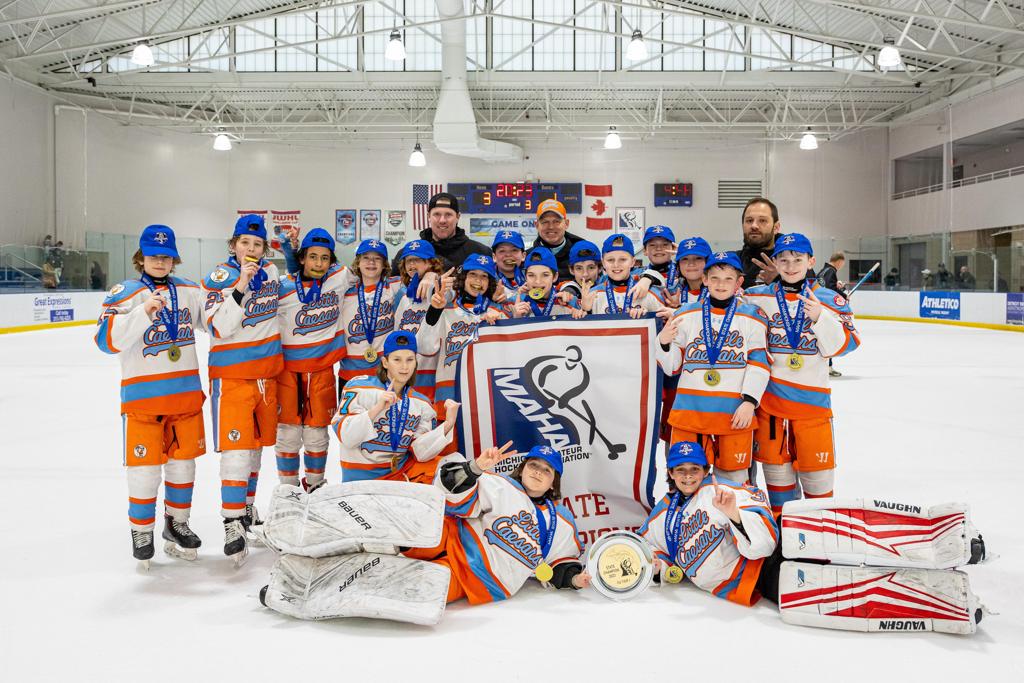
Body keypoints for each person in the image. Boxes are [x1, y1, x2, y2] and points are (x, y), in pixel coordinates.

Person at [93, 225, 207, 567]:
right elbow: (105, 341)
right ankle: (141, 531)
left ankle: (177, 523)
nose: (160, 262)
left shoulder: (189, 290)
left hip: (185, 398)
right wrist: (142, 313)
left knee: (183, 466)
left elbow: (215, 322)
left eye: (166, 257)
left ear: (174, 259)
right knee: (144, 471)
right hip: (143, 401)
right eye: (154, 256)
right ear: (140, 258)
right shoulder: (125, 294)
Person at [744, 234, 860, 514]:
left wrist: (821, 318)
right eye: (784, 260)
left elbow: (849, 344)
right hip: (771, 410)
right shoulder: (757, 296)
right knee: (780, 496)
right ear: (776, 263)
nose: (791, 266)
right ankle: (783, 537)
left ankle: (820, 538)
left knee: (820, 495)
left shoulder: (828, 299)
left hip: (813, 410)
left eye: (798, 260)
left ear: (811, 261)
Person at [403, 443, 589, 603]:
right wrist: (475, 468)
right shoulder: (501, 485)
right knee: (425, 525)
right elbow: (450, 496)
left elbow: (561, 563)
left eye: (547, 470)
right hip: (453, 542)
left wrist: (575, 580)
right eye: (533, 464)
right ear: (522, 469)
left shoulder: (563, 520)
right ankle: (397, 541)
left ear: (553, 483)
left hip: (478, 579)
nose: (538, 471)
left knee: (418, 589)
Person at [201, 214, 283, 553]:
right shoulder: (219, 278)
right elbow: (219, 327)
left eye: (257, 244)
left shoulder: (272, 272)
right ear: (233, 245)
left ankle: (247, 508)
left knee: (255, 450)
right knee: (236, 453)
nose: (250, 248)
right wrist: (241, 286)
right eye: (244, 242)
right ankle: (231, 521)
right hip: (232, 378)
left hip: (266, 377)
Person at [656, 251, 771, 484]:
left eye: (728, 279)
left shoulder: (753, 316)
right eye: (715, 278)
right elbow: (672, 367)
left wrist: (750, 401)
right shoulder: (686, 313)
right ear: (705, 279)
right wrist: (664, 342)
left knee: (735, 481)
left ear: (739, 282)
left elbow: (759, 363)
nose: (721, 284)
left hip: (733, 414)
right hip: (690, 413)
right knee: (688, 481)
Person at [638, 440, 778, 606]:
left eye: (694, 469)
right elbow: (658, 552)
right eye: (681, 469)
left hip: (764, 566)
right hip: (735, 587)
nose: (688, 476)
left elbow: (766, 546)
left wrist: (734, 514)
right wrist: (657, 567)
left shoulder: (721, 491)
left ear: (705, 471)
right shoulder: (660, 515)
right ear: (671, 472)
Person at [274, 228, 358, 502]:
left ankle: (315, 486)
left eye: (324, 258)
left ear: (331, 261)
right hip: (287, 370)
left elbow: (370, 274)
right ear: (302, 258)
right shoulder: (283, 287)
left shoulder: (339, 276)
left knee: (317, 434)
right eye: (312, 257)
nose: (319, 263)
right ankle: (288, 490)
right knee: (287, 434)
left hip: (322, 369)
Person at [332, 330, 459, 483]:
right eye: (397, 360)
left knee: (455, 471)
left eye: (410, 360)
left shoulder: (422, 403)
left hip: (400, 475)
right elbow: (346, 436)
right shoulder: (359, 387)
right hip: (361, 480)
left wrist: (448, 424)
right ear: (385, 362)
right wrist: (377, 408)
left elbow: (420, 453)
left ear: (416, 362)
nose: (404, 366)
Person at [416, 254, 507, 439]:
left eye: (484, 276)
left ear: (490, 282)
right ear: (463, 278)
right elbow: (425, 347)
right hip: (448, 395)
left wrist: (498, 326)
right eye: (473, 274)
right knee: (449, 450)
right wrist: (434, 310)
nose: (478, 281)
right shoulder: (446, 308)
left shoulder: (498, 313)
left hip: (485, 396)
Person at [338, 239, 406, 389]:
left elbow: (419, 279)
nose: (371, 262)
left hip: (384, 370)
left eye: (377, 258)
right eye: (366, 258)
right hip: (350, 370)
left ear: (384, 264)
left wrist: (430, 276)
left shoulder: (394, 286)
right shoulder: (345, 291)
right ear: (358, 262)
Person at [393, 239, 444, 402]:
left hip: (431, 369)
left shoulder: (440, 291)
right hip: (406, 370)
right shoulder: (402, 295)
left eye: (417, 260)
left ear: (430, 263)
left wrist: (434, 277)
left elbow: (452, 291)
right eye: (408, 260)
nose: (412, 265)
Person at [390, 192, 490, 271]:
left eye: (448, 215)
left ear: (458, 217)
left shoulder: (480, 252)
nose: (442, 220)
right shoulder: (408, 254)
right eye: (437, 214)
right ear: (428, 216)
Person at [578, 234, 667, 318]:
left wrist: (646, 316)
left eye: (623, 259)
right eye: (610, 260)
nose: (616, 265)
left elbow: (664, 322)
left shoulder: (648, 291)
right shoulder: (592, 295)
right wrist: (586, 311)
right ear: (603, 263)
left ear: (632, 262)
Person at [509, 247, 583, 319]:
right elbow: (503, 323)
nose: (538, 281)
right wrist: (515, 318)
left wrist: (582, 313)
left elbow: (586, 319)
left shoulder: (567, 300)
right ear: (525, 277)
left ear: (555, 277)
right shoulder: (514, 302)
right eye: (531, 275)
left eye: (545, 275)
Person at [531, 199, 587, 281]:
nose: (551, 227)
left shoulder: (584, 253)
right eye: (545, 222)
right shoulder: (528, 257)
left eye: (556, 221)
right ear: (536, 225)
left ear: (566, 223)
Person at [815, 251, 849, 377]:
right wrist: (843, 295)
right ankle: (827, 367)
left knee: (822, 337)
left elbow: (825, 286)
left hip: (818, 308)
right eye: (842, 264)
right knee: (827, 337)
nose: (841, 267)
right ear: (839, 261)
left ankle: (824, 366)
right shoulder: (831, 271)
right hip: (827, 309)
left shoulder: (822, 271)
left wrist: (838, 287)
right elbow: (830, 290)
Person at [738, 197, 782, 286]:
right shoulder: (732, 262)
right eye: (749, 220)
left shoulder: (796, 261)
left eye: (762, 220)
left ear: (776, 227)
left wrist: (782, 279)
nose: (754, 226)